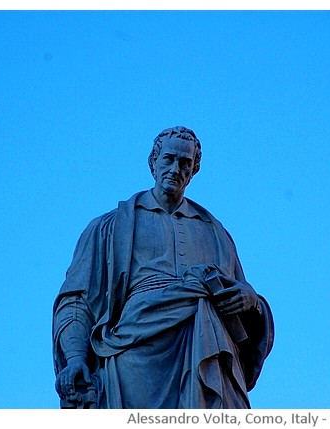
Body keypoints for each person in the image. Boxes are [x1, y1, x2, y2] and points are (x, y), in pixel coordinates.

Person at [52, 126, 274, 409]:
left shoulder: (217, 233)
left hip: (208, 344)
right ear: (153, 161)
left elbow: (243, 296)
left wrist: (252, 303)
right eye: (168, 159)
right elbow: (76, 300)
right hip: (137, 352)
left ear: (194, 170)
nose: (175, 169)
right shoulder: (109, 227)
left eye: (185, 163)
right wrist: (74, 358)